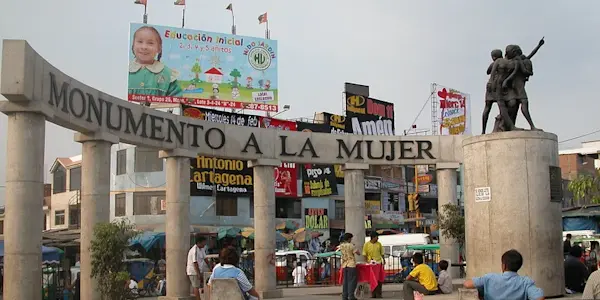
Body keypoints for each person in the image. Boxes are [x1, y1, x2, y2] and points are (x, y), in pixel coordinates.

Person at [463, 249, 544, 300]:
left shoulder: (489, 278)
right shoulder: (525, 282)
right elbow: (539, 298)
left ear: (504, 265)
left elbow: (467, 284)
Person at [128, 26, 183, 98]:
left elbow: (177, 99)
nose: (144, 47)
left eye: (150, 43)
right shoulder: (124, 70)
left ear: (159, 48)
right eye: (140, 42)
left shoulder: (168, 74)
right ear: (133, 46)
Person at [362, 231, 385, 298]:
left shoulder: (379, 244)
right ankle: (373, 294)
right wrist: (367, 261)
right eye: (377, 237)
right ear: (373, 237)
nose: (378, 238)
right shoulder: (366, 244)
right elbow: (364, 254)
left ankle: (379, 294)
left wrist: (384, 260)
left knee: (379, 279)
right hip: (371, 264)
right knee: (372, 279)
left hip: (378, 263)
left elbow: (382, 253)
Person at [187, 235, 208, 300]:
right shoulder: (194, 250)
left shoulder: (202, 249)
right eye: (204, 242)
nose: (205, 244)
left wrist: (211, 267)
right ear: (199, 242)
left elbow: (205, 258)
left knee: (200, 285)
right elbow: (195, 263)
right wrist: (198, 273)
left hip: (199, 270)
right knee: (196, 286)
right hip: (193, 271)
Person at [340, 232, 361, 300]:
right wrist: (355, 246)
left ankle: (344, 296)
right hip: (351, 264)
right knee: (352, 281)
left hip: (344, 264)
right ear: (349, 238)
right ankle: (351, 296)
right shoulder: (351, 245)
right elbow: (358, 253)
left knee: (345, 281)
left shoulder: (341, 245)